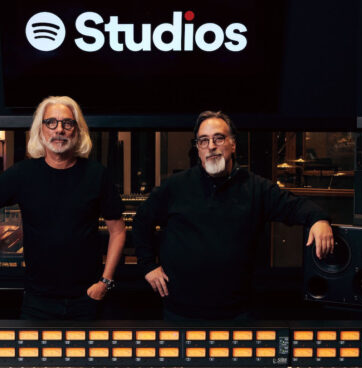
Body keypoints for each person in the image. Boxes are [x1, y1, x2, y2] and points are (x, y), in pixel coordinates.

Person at [133, 111, 334, 320]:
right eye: (203, 141)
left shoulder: (256, 187)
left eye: (218, 138)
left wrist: (318, 219)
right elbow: (141, 221)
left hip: (237, 314)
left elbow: (295, 206)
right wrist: (149, 265)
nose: (211, 146)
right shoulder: (175, 186)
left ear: (233, 144)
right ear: (198, 149)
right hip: (180, 312)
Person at [0, 96, 126, 320]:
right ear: (41, 130)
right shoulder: (23, 174)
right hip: (38, 302)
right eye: (51, 122)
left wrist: (105, 282)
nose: (59, 129)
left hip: (88, 298)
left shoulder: (96, 174)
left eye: (67, 123)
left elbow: (118, 231)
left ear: (77, 130)